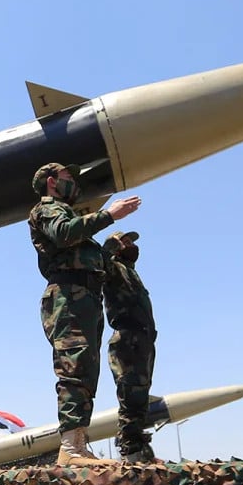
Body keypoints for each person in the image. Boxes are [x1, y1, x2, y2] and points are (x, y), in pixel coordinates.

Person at [27, 162, 141, 467]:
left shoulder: (68, 214)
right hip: (68, 297)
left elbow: (85, 259)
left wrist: (109, 247)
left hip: (84, 297)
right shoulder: (47, 208)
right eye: (68, 177)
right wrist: (108, 214)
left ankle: (77, 445)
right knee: (74, 367)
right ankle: (71, 449)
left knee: (86, 371)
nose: (74, 183)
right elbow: (63, 234)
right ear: (52, 182)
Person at [102, 231, 158, 463]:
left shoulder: (130, 271)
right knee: (130, 393)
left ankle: (137, 444)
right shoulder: (113, 267)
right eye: (125, 241)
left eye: (132, 241)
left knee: (140, 393)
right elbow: (99, 261)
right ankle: (130, 448)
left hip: (142, 338)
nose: (131, 245)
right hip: (128, 338)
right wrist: (109, 246)